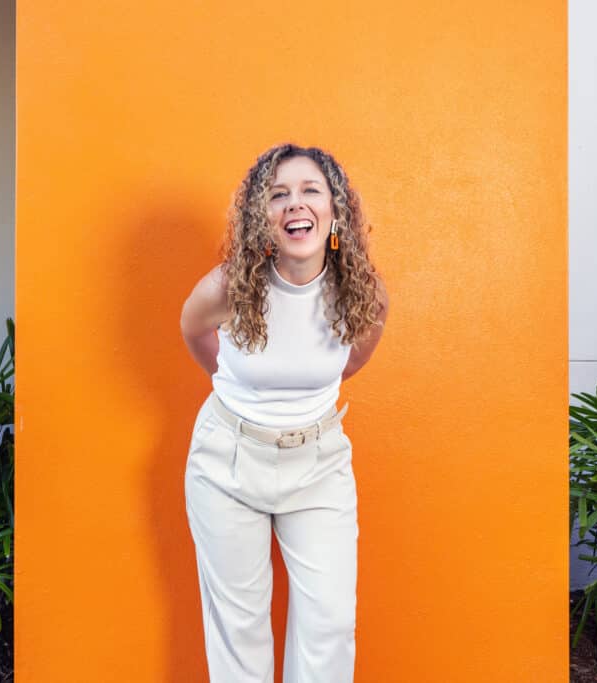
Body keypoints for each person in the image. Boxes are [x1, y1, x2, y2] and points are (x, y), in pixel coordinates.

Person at [179, 143, 388, 683]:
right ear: (261, 218)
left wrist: (301, 397)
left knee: (330, 626)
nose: (296, 204)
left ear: (335, 210)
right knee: (240, 632)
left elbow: (351, 359)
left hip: (319, 465)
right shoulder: (228, 286)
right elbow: (194, 330)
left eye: (311, 190)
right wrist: (235, 384)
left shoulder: (362, 293)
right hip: (228, 462)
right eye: (279, 195)